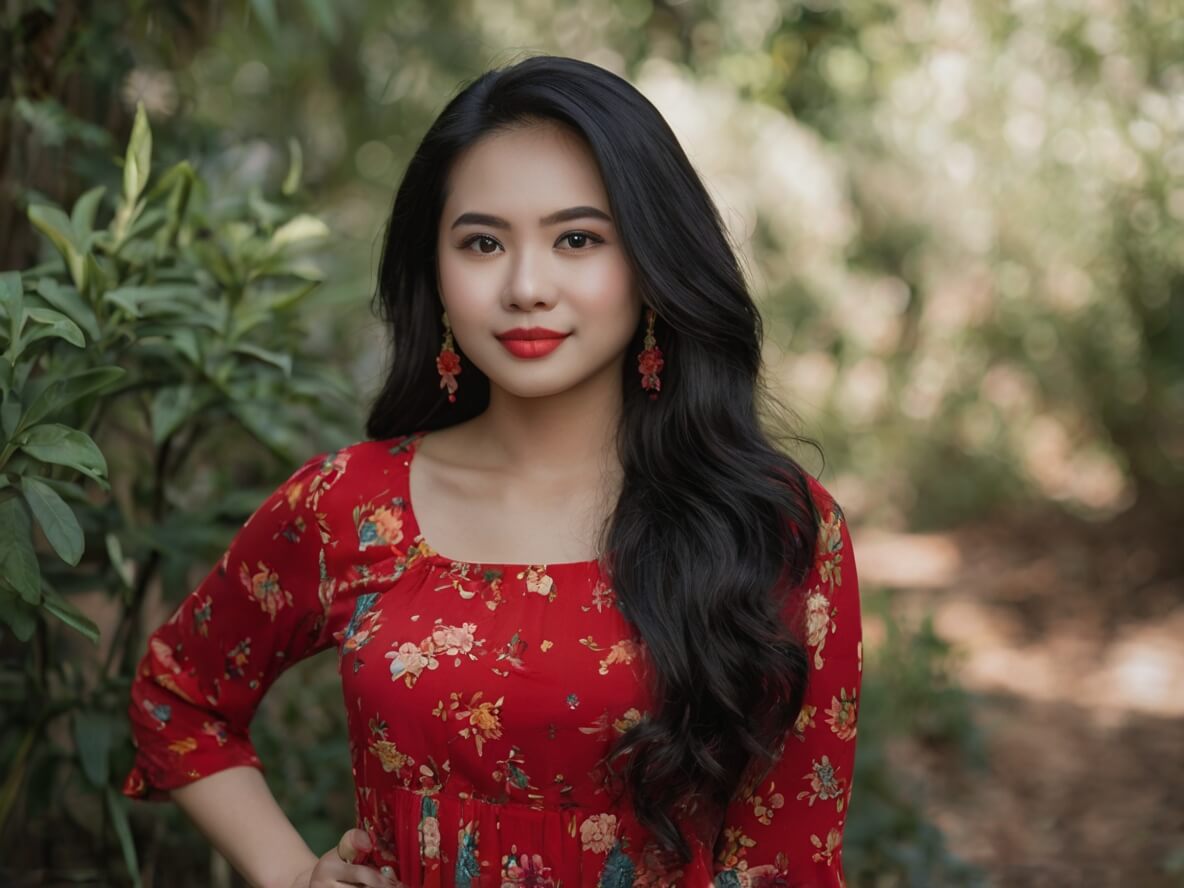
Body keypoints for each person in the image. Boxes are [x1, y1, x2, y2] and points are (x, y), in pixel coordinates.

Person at [121, 54, 862, 888]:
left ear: (653, 262)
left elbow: (789, 863)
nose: (526, 286)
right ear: (435, 273)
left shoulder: (774, 527)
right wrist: (289, 873)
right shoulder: (349, 504)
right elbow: (177, 695)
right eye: (482, 242)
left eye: (577, 238)